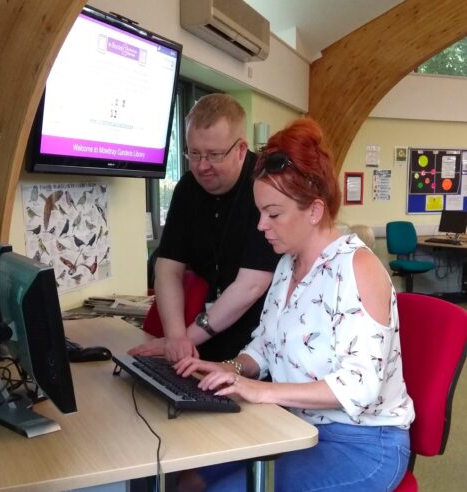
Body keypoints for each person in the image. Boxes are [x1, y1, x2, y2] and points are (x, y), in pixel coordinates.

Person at [174, 118, 415, 492]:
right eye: (259, 213)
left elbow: (361, 384)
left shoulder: (358, 268)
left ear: (315, 211)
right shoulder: (287, 264)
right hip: (293, 428)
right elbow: (263, 348)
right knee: (186, 480)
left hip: (364, 444)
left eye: (273, 214)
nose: (261, 226)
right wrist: (225, 368)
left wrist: (261, 391)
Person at [130, 94, 280, 362]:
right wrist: (176, 337)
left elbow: (251, 286)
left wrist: (184, 340)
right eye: (194, 153)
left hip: (256, 345)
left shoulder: (265, 185)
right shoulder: (187, 188)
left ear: (241, 149)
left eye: (213, 155)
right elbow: (167, 268)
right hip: (201, 333)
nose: (202, 166)